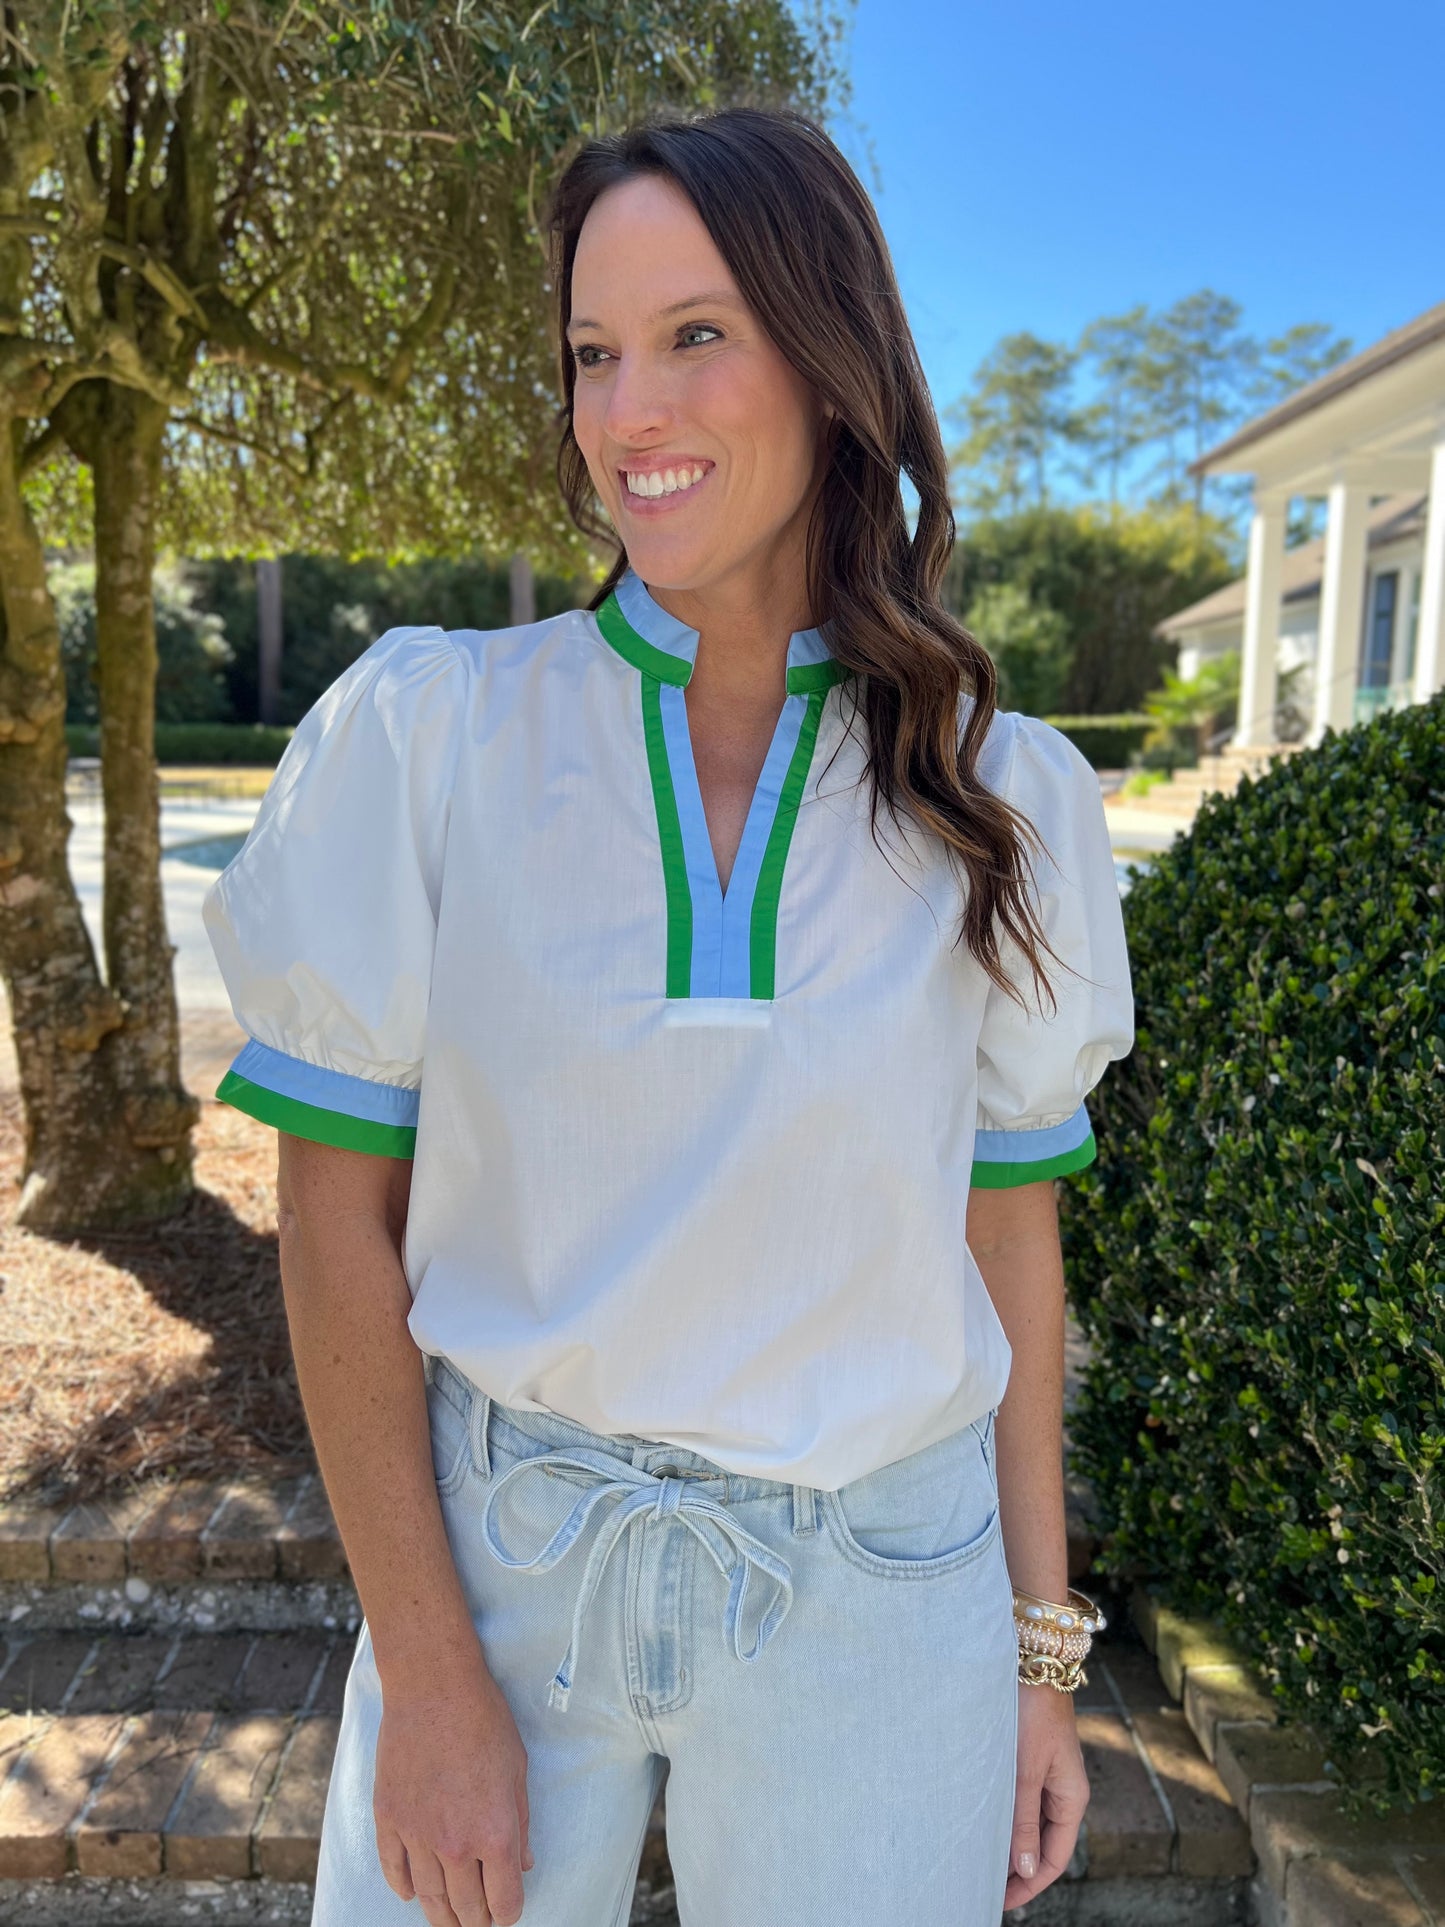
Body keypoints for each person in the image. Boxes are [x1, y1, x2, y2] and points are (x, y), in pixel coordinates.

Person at [204, 105, 1134, 1927]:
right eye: (592, 353)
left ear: (830, 353)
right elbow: (335, 1223)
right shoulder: (432, 734)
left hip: (882, 1585)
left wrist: (1035, 1658)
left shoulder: (1001, 792)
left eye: (696, 335)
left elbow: (1005, 1237)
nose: (630, 412)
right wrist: (433, 1676)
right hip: (501, 1567)